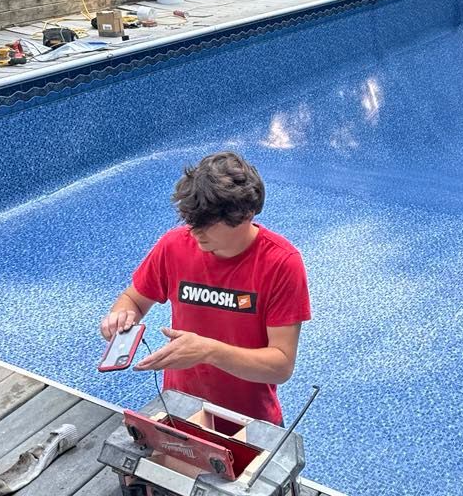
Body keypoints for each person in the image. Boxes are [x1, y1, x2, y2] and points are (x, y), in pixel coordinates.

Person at [100, 151, 311, 427]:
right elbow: (134, 300)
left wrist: (209, 351)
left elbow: (281, 364)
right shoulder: (174, 246)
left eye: (208, 223)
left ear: (246, 214)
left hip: (250, 421)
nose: (195, 232)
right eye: (191, 221)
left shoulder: (281, 263)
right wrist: (122, 315)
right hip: (180, 410)